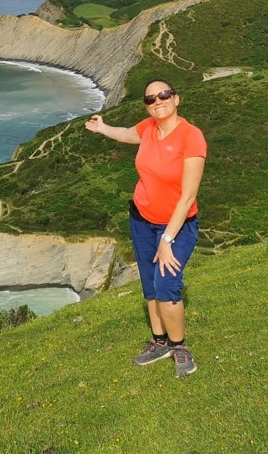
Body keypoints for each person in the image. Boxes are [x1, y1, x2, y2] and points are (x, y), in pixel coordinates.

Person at [84, 78, 206, 378]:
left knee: (167, 286)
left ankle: (180, 347)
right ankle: (159, 341)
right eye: (150, 98)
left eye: (164, 94)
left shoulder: (191, 137)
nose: (157, 101)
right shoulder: (149, 129)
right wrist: (103, 128)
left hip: (177, 226)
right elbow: (128, 134)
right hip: (141, 220)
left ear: (176, 99)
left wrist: (167, 238)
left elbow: (188, 196)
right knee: (151, 286)